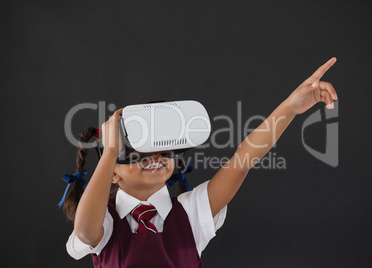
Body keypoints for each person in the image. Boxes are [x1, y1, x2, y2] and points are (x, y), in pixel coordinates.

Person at [59, 57, 338, 267]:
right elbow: (85, 229)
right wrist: (109, 152)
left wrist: (289, 107)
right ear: (113, 174)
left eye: (163, 149)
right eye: (135, 153)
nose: (155, 157)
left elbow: (241, 162)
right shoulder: (104, 220)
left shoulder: (191, 213)